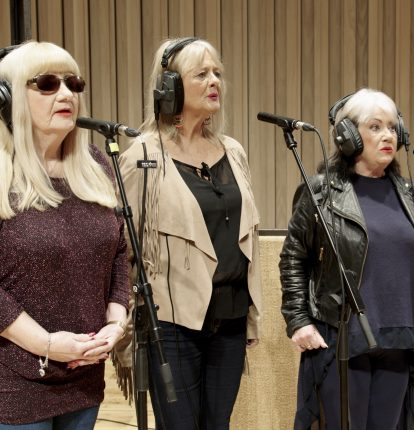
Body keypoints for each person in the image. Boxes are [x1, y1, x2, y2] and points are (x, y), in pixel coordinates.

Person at [117, 37, 262, 429]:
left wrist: (250, 317)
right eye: (201, 74)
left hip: (229, 319)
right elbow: (123, 247)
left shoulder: (233, 151)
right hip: (172, 325)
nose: (214, 80)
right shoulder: (143, 157)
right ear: (170, 87)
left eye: (217, 73)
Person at [0, 41, 130, 429]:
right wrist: (47, 346)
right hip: (11, 384)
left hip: (84, 374)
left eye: (73, 83)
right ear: (6, 99)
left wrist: (115, 326)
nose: (66, 94)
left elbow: (118, 254)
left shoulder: (96, 164)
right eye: (47, 84)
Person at [279, 88, 414, 429]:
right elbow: (294, 258)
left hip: (400, 339)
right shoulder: (321, 192)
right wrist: (298, 320)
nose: (388, 135)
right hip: (343, 338)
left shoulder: (409, 196)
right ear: (348, 136)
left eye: (392, 127)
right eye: (375, 127)